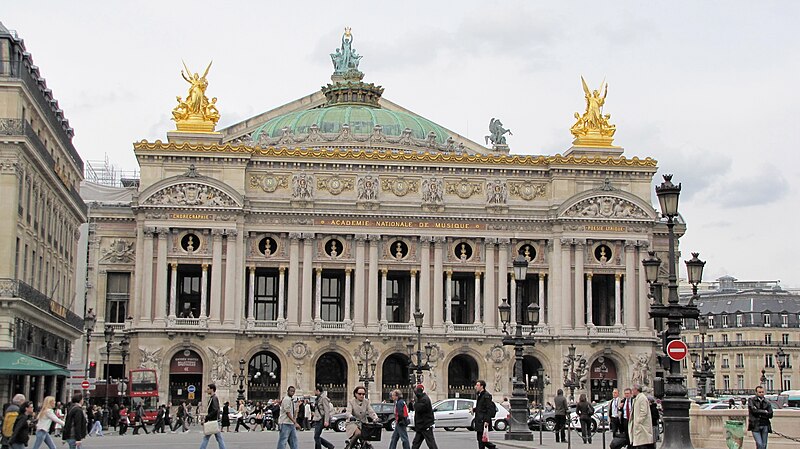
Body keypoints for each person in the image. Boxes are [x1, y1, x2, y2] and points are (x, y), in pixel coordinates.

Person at [198, 384, 226, 449]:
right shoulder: (212, 398)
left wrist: (207, 417)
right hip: (213, 421)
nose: (207, 390)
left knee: (207, 438)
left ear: (212, 389)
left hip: (213, 421)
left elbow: (215, 410)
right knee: (218, 438)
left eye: (208, 389)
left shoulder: (214, 398)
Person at [410, 385, 438, 449]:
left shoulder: (424, 399)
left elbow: (418, 409)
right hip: (421, 425)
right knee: (416, 443)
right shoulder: (421, 398)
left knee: (431, 443)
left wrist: (414, 402)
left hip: (425, 425)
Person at [473, 380, 497, 449]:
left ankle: (493, 447)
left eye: (477, 385)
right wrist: (474, 410)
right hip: (480, 419)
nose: (476, 387)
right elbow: (481, 407)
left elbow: (489, 409)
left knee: (482, 439)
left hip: (483, 420)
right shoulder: (480, 395)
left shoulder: (486, 396)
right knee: (481, 439)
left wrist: (487, 421)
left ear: (482, 386)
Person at [628, 384, 653, 449]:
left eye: (633, 390)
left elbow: (644, 412)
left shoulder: (642, 398)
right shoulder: (637, 398)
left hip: (641, 426)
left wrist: (638, 421)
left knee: (642, 443)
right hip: (639, 426)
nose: (632, 391)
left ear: (636, 390)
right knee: (639, 443)